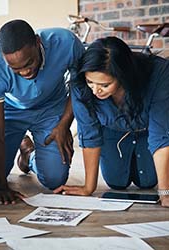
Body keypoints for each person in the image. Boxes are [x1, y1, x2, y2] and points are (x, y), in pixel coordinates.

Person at [54, 37, 169, 208]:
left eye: (105, 85)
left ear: (124, 76)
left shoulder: (159, 73)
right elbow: (89, 133)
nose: (95, 90)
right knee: (115, 181)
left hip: (149, 130)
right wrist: (88, 187)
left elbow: (160, 136)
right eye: (90, 81)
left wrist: (165, 193)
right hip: (113, 131)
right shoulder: (80, 84)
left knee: (148, 181)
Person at [0, 19, 85, 204]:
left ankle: (28, 156)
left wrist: (64, 125)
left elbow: (80, 86)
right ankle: (22, 143)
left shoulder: (66, 43)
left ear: (38, 42)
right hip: (10, 113)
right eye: (16, 69)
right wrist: (3, 186)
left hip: (51, 109)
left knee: (55, 179)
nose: (25, 72)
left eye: (29, 63)